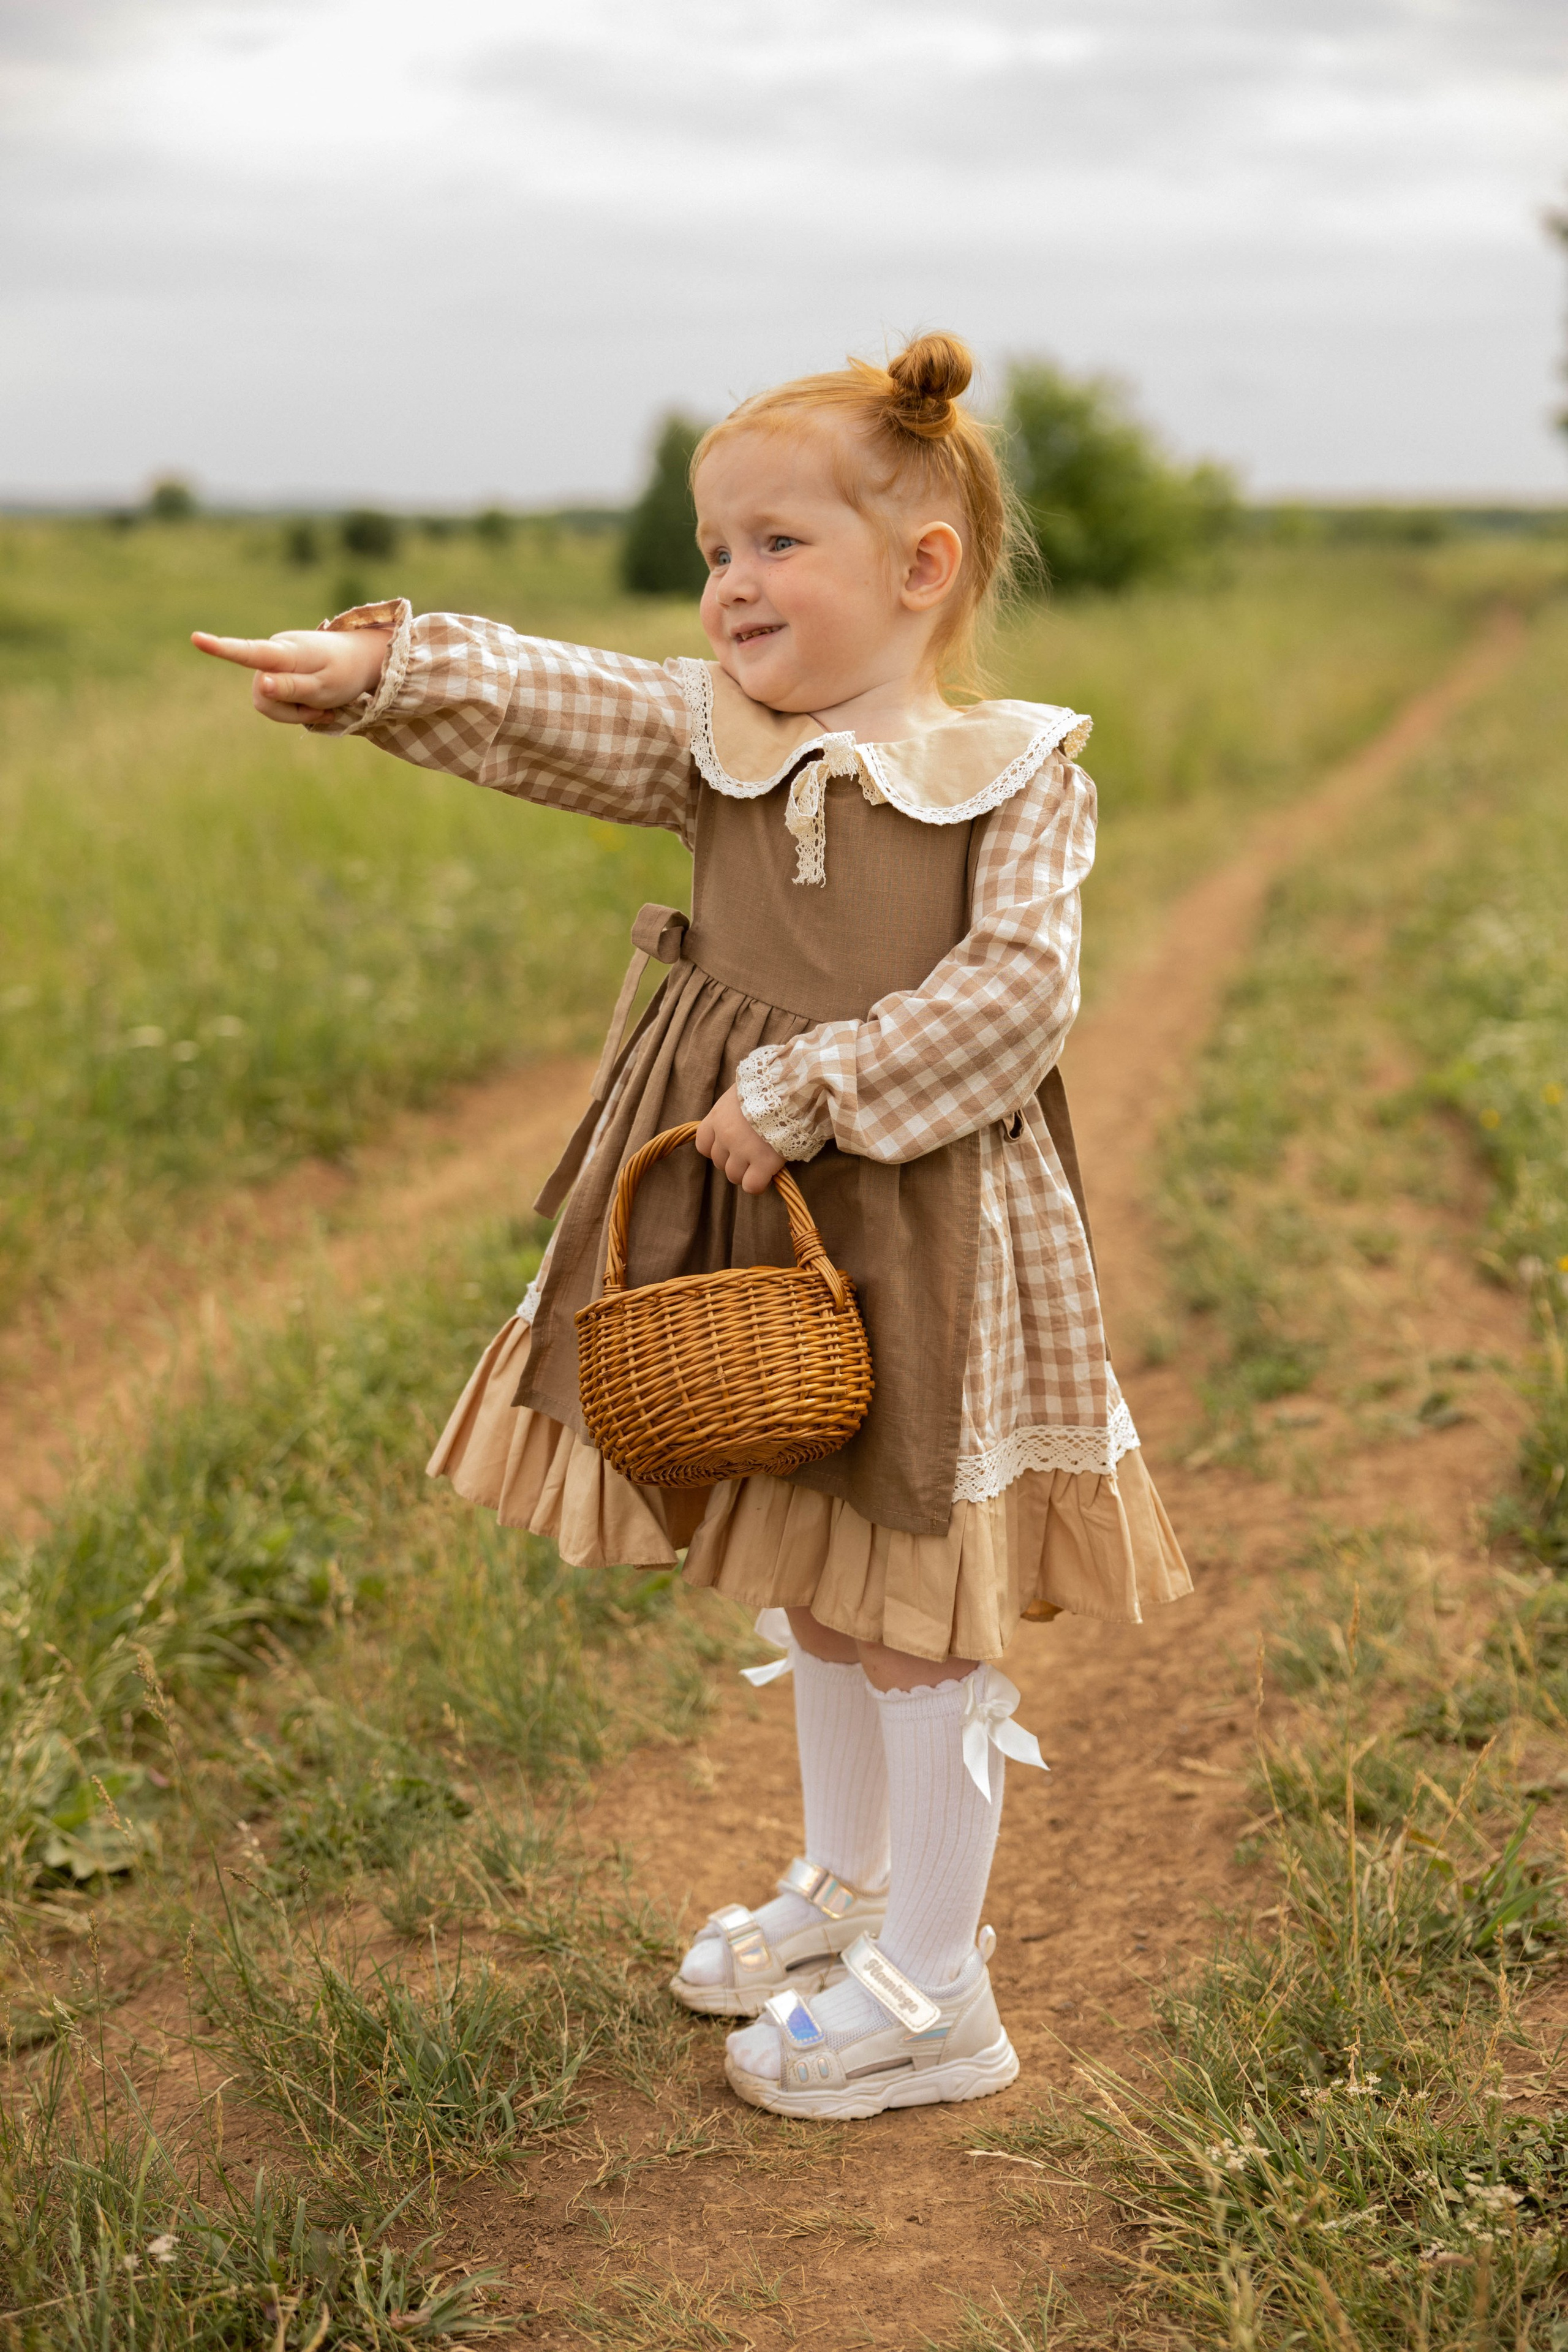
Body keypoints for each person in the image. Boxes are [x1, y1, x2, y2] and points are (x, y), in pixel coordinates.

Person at [192, 330, 1189, 2122]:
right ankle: (851, 1885)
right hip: (748, 1238)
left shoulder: (1014, 771)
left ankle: (943, 1991)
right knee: (812, 1580)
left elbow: (1022, 995)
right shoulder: (714, 740)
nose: (730, 584)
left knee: (913, 1607)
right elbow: (554, 700)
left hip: (924, 1232)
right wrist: (377, 669)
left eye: (774, 545)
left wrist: (808, 1091)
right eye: (715, 548)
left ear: (922, 567)